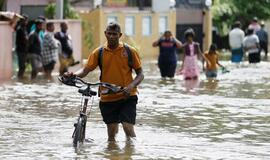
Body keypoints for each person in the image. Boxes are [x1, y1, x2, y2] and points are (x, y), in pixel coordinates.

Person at [64, 22, 144, 142]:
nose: (111, 36)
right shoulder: (99, 52)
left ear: (120, 35)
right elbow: (86, 70)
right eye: (109, 33)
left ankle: (131, 153)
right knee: (111, 134)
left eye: (114, 34)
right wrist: (73, 75)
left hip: (127, 96)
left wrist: (131, 86)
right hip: (107, 97)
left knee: (128, 128)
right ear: (105, 34)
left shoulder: (129, 51)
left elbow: (141, 74)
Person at [15, 14, 29, 79]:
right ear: (21, 21)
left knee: (23, 66)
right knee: (22, 66)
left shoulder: (24, 29)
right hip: (20, 50)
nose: (26, 22)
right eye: (25, 20)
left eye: (26, 20)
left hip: (24, 50)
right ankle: (19, 78)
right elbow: (24, 40)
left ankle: (21, 78)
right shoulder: (20, 29)